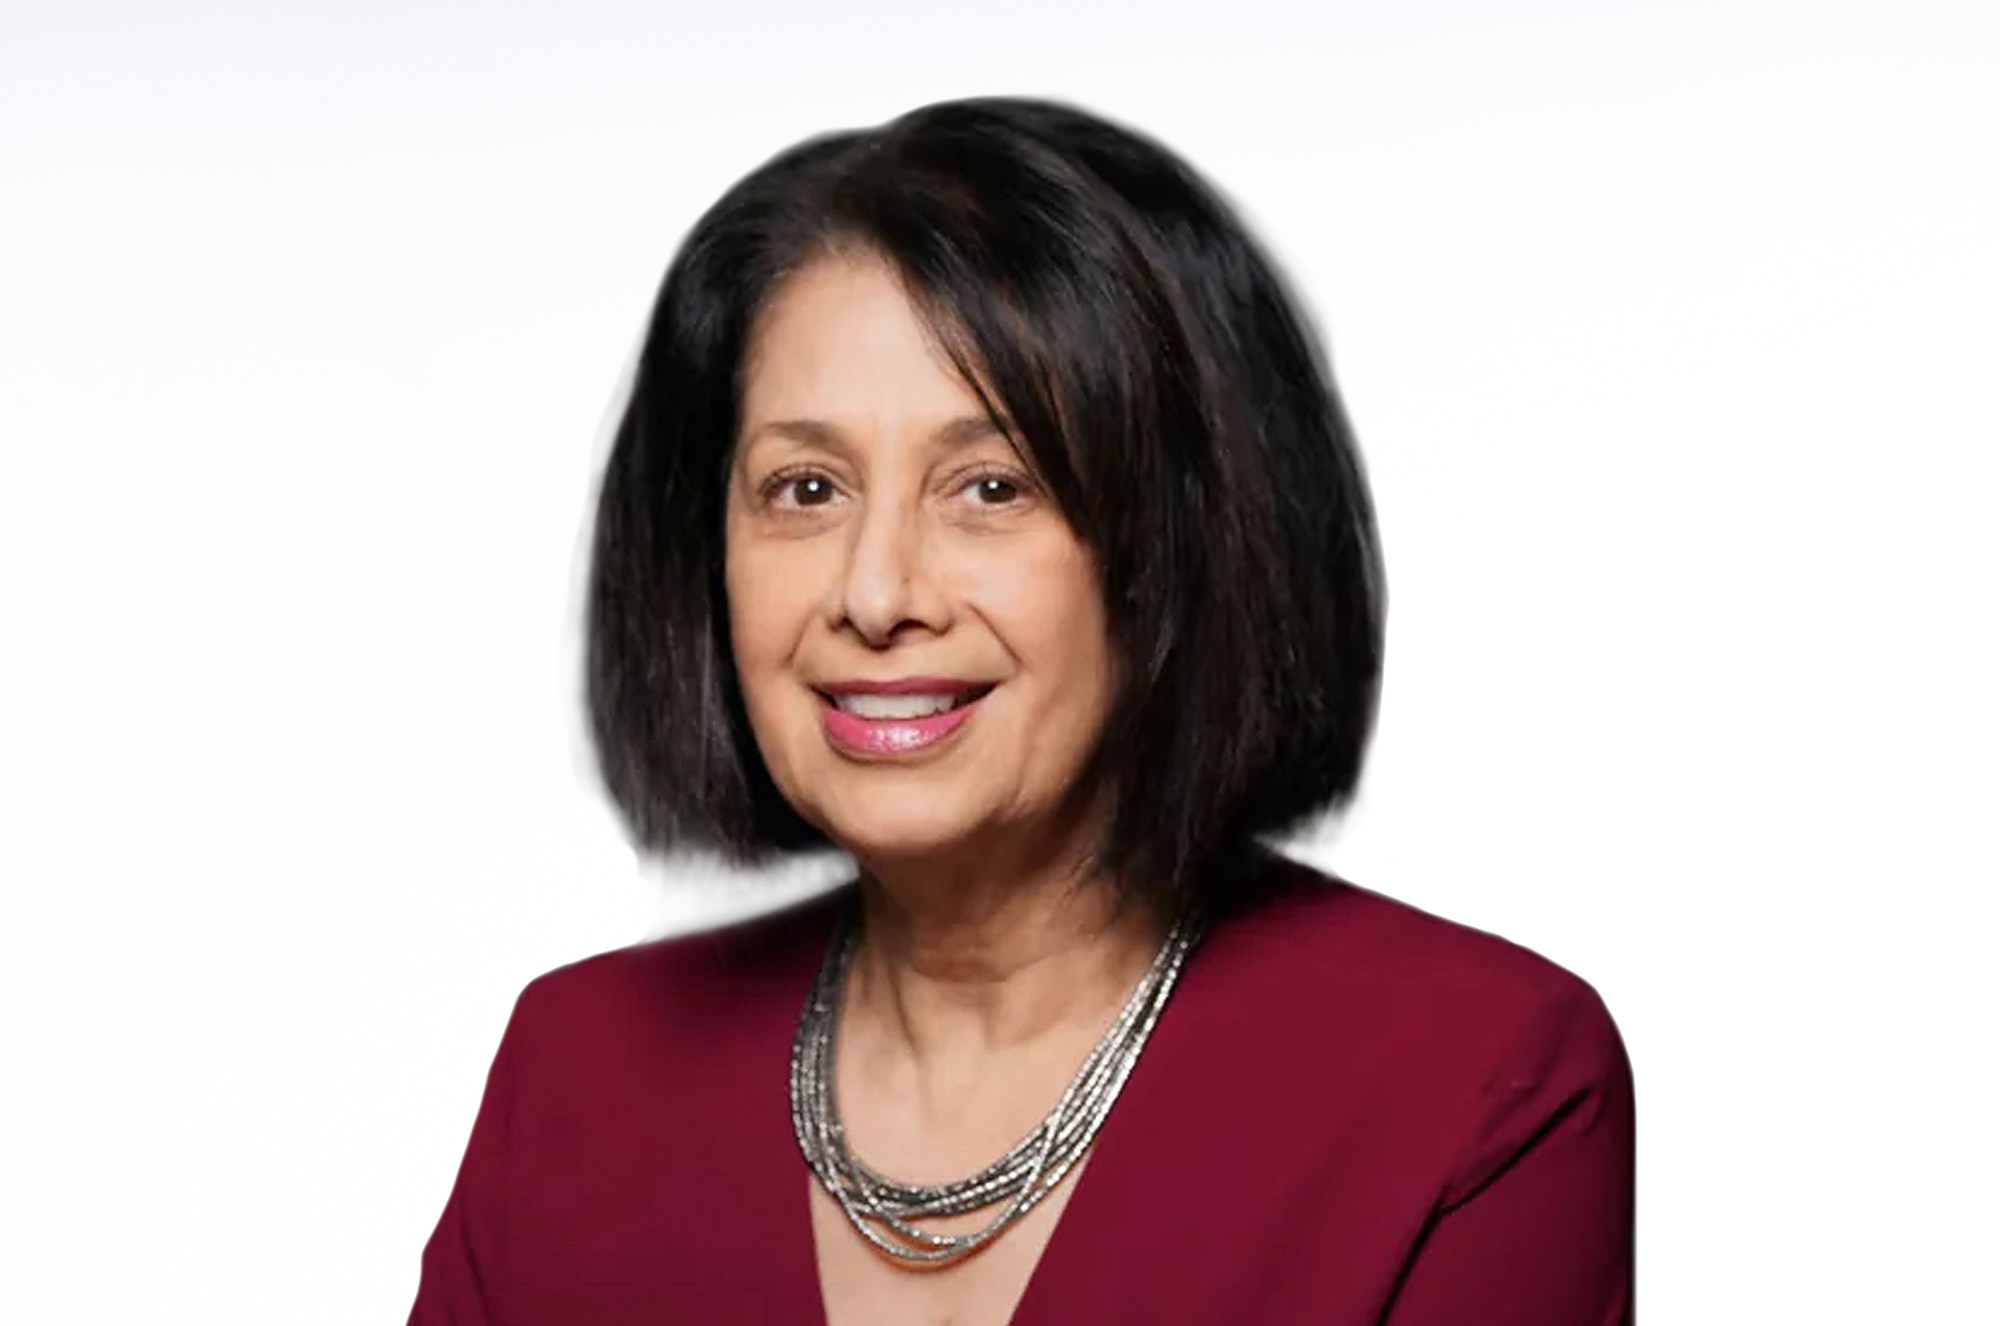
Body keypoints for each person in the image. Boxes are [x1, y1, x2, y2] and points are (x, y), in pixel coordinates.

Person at [409, 97, 1634, 1325]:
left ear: (1181, 546)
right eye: (806, 488)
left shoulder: (1476, 1083)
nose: (874, 594)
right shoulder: (580, 1072)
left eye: (990, 486)